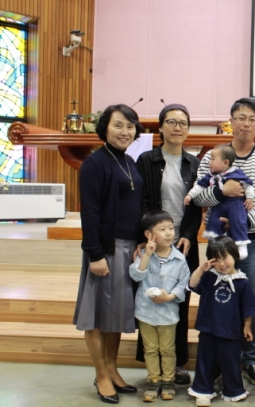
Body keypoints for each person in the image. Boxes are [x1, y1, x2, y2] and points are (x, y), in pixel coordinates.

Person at [192, 98, 255, 387]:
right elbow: (199, 197)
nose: (246, 123)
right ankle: (218, 360)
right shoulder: (213, 156)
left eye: (252, 119)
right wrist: (223, 193)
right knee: (216, 296)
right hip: (218, 241)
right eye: (241, 117)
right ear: (231, 121)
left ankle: (249, 359)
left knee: (248, 297)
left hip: (250, 241)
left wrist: (240, 221)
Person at [73, 104, 144, 404]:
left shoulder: (129, 161)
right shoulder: (95, 163)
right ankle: (101, 375)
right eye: (118, 125)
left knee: (117, 314)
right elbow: (89, 212)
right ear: (105, 128)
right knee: (97, 316)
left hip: (128, 249)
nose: (124, 131)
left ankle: (112, 369)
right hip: (105, 249)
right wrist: (95, 254)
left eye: (130, 126)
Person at [136, 103, 203, 385]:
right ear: (161, 127)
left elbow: (197, 205)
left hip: (183, 244)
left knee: (179, 301)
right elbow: (142, 201)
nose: (178, 128)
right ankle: (153, 362)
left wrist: (187, 233)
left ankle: (178, 363)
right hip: (154, 242)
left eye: (183, 123)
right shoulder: (146, 160)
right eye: (172, 122)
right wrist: (148, 236)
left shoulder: (194, 163)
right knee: (151, 297)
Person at [187, 236, 255, 406]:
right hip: (208, 328)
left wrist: (247, 326)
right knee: (205, 360)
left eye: (225, 257)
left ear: (235, 255)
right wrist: (201, 269)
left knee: (231, 362)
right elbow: (192, 284)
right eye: (216, 259)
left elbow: (248, 307)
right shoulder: (208, 277)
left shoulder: (242, 282)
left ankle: (234, 390)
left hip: (231, 330)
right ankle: (202, 390)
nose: (221, 264)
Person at [130, 210, 190, 402]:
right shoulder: (143, 254)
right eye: (162, 229)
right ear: (149, 234)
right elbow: (136, 275)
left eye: (171, 228)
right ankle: (153, 381)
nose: (169, 233)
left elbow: (184, 284)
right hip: (145, 312)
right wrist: (147, 255)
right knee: (150, 349)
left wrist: (169, 297)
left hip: (168, 313)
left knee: (167, 349)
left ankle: (168, 381)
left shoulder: (179, 259)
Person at [185, 144, 254, 259]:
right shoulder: (211, 175)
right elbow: (199, 186)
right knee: (213, 220)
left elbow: (248, 185)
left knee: (238, 221)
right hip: (219, 205)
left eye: (213, 159)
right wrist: (190, 195)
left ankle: (242, 246)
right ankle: (215, 244)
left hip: (236, 204)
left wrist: (250, 198)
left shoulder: (237, 173)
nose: (209, 162)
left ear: (225, 162)